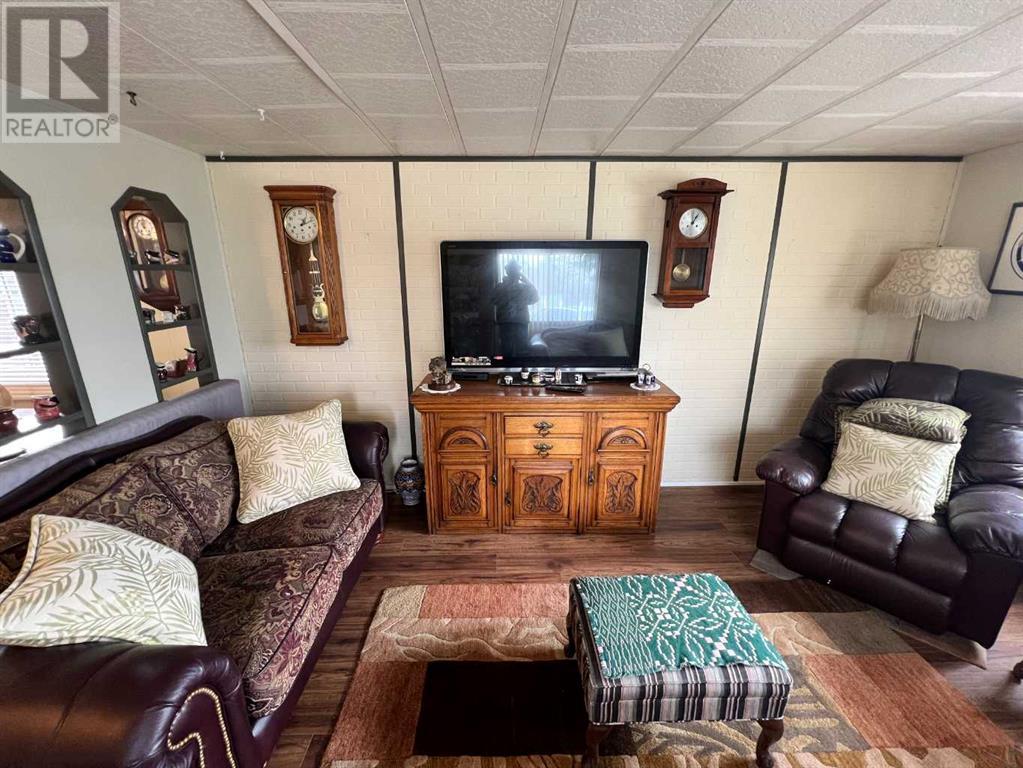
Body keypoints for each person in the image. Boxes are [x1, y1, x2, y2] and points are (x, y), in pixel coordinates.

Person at [492, 260, 539, 356]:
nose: (513, 272)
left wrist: (527, 282)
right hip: (506, 322)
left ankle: (518, 365)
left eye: (516, 270)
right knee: (507, 350)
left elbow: (535, 298)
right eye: (511, 270)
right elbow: (493, 301)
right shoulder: (500, 287)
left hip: (520, 321)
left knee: (521, 350)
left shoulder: (524, 287)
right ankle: (508, 365)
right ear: (507, 271)